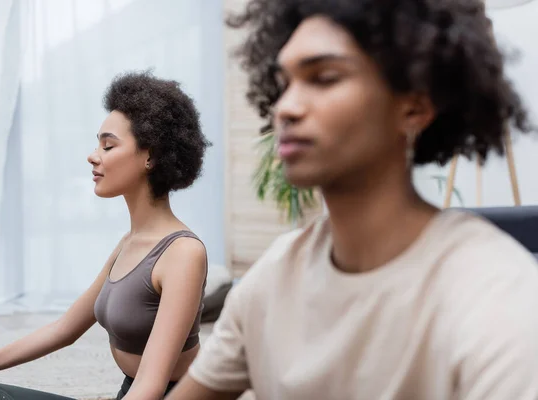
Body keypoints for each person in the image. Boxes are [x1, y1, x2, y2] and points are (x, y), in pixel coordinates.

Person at [166, 1, 538, 399]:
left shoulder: (496, 296)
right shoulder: (272, 278)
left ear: (413, 107)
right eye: (284, 83)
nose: (286, 108)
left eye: (324, 78)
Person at [0, 71, 212, 400]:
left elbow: (151, 386)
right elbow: (64, 329)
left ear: (151, 156)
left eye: (108, 145)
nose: (93, 155)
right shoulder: (128, 245)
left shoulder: (183, 253)